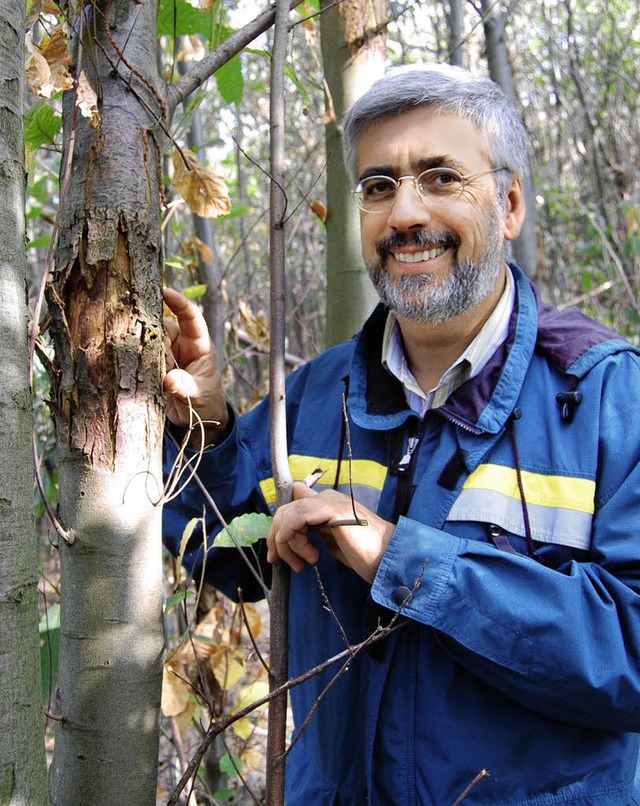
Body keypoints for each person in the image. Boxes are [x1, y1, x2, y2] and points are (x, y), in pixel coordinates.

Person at [162, 64, 640, 804]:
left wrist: (401, 557)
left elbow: (631, 656)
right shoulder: (321, 395)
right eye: (378, 186)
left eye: (441, 177)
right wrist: (201, 427)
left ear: (509, 204)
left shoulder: (611, 398)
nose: (404, 214)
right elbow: (231, 557)